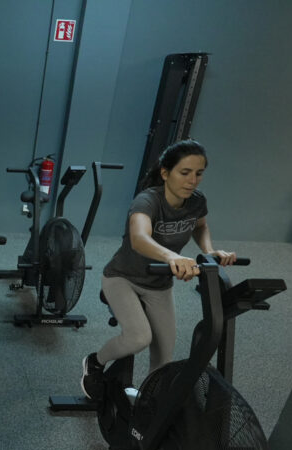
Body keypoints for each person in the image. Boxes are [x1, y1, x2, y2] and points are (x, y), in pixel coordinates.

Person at [81, 139, 236, 399]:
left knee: (164, 360)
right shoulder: (147, 201)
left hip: (159, 285)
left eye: (199, 173)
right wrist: (173, 257)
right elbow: (139, 238)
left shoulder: (196, 201)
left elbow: (200, 226)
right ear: (165, 173)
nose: (193, 181)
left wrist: (209, 251)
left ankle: (148, 404)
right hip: (122, 278)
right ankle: (95, 362)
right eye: (185, 172)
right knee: (139, 337)